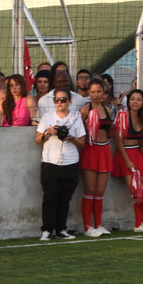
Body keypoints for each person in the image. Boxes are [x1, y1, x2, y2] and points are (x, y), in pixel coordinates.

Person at [36, 87, 86, 240]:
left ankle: (61, 229)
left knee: (65, 198)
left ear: (69, 101)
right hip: (50, 162)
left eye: (63, 100)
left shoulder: (76, 118)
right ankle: (47, 230)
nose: (60, 103)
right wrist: (48, 132)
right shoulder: (47, 117)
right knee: (50, 197)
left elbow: (82, 143)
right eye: (56, 100)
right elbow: (37, 140)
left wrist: (70, 138)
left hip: (70, 162)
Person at [111, 88, 143, 233]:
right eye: (132, 99)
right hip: (126, 155)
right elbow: (118, 142)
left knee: (142, 191)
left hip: (138, 153)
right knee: (135, 191)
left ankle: (138, 224)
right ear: (128, 101)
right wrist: (127, 161)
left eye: (139, 99)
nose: (135, 102)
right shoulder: (122, 116)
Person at [78, 80, 114, 237]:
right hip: (90, 150)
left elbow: (110, 133)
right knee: (90, 190)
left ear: (104, 92)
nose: (96, 95)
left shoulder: (108, 110)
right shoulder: (85, 110)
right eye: (93, 92)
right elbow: (79, 132)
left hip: (104, 149)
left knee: (100, 191)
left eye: (99, 91)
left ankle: (98, 224)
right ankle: (87, 226)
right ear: (89, 93)